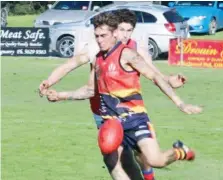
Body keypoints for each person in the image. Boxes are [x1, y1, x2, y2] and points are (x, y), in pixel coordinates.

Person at [46, 11, 202, 180]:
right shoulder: (98, 59)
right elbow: (91, 90)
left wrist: (180, 103)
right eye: (96, 36)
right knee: (112, 163)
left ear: (114, 34)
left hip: (135, 120)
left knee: (156, 160)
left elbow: (155, 76)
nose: (99, 40)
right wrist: (61, 95)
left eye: (103, 35)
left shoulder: (127, 54)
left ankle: (181, 151)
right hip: (111, 123)